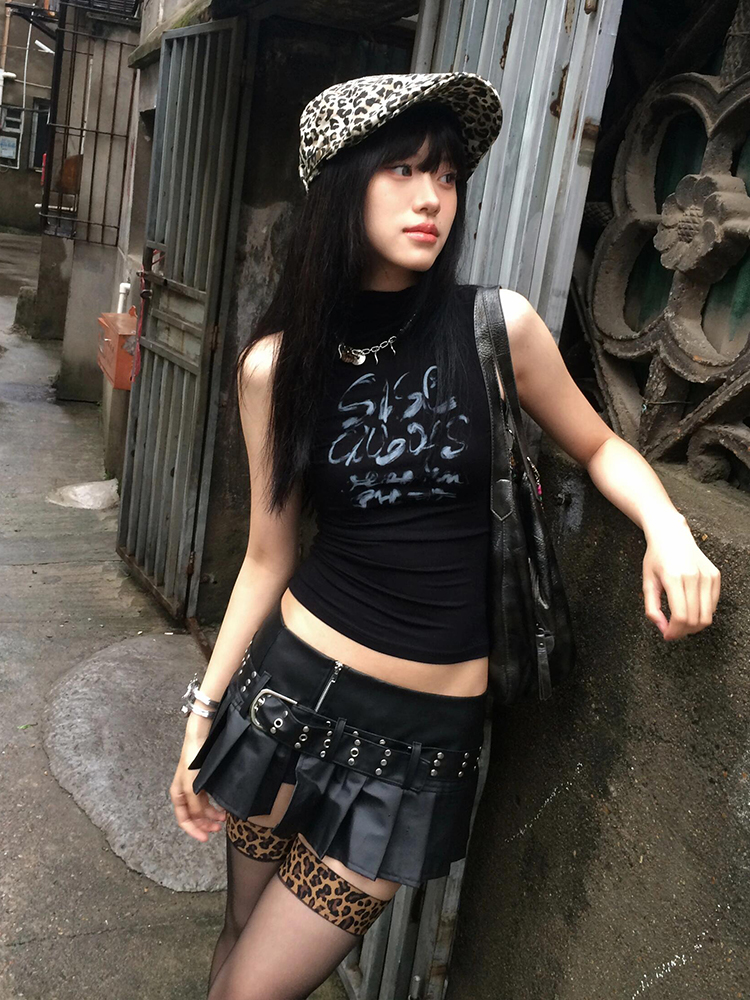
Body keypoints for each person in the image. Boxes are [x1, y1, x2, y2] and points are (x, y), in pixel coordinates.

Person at [169, 72, 721, 1000]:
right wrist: (202, 711)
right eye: (403, 171)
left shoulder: (496, 328)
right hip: (285, 701)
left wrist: (668, 527)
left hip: (418, 746)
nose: (432, 198)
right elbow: (269, 556)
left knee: (253, 989)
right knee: (233, 944)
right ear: (344, 186)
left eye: (449, 175)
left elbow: (599, 446)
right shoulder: (276, 366)